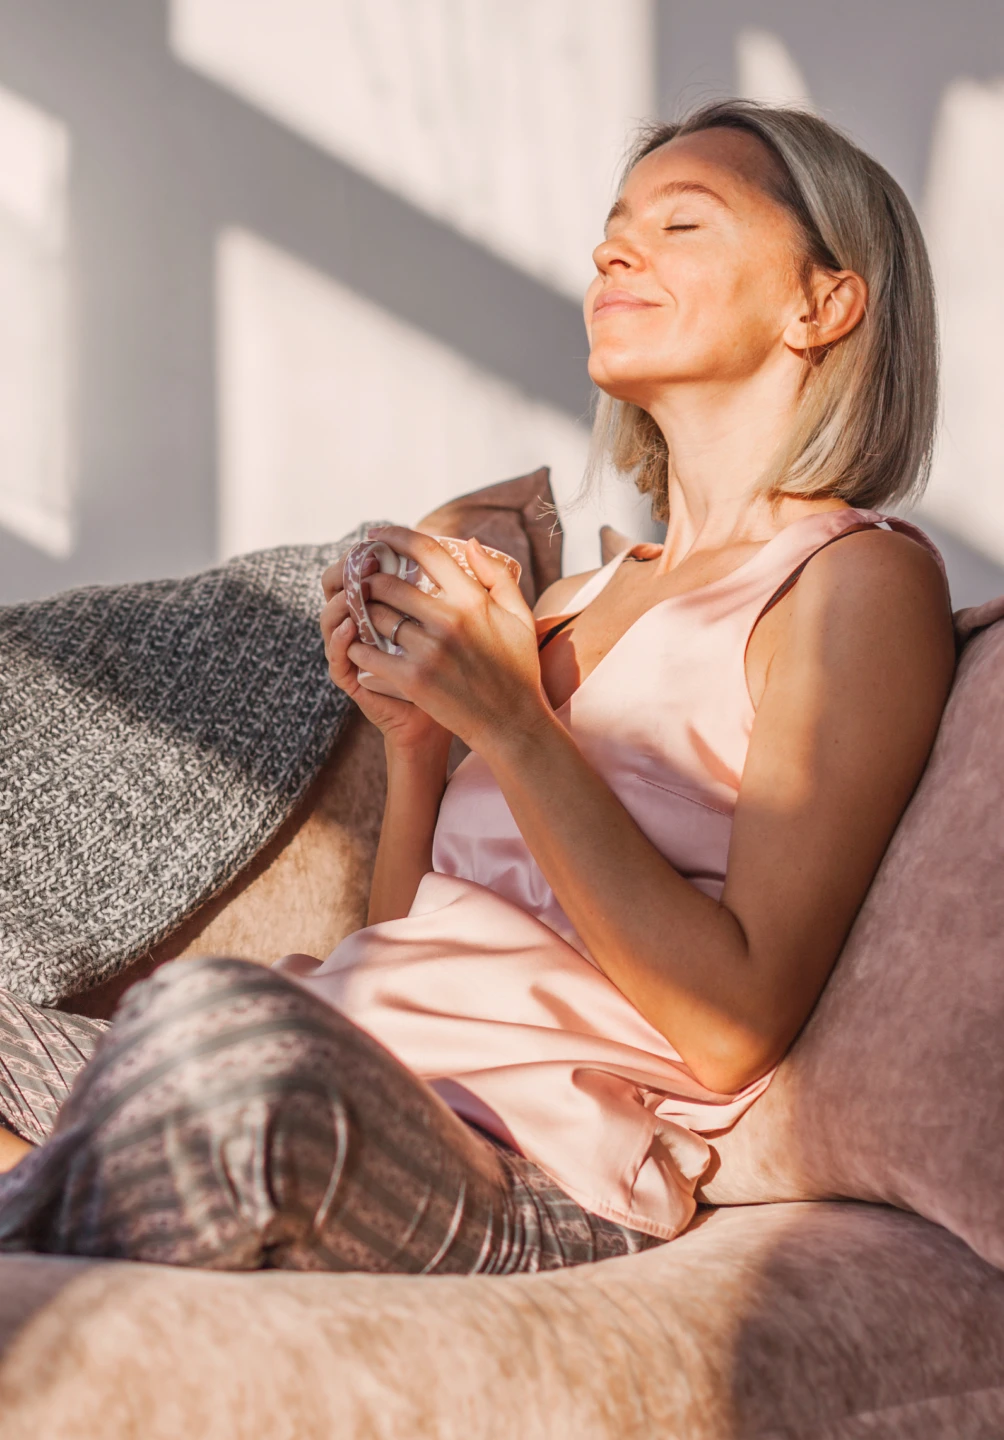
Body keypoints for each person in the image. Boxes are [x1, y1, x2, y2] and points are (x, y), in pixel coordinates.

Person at [0, 100, 954, 1273]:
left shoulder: (850, 580)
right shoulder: (564, 606)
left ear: (822, 303)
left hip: (532, 1164)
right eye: (612, 228)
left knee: (218, 1034)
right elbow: (408, 944)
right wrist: (413, 741)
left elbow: (728, 1028)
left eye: (681, 221)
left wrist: (508, 717)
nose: (612, 250)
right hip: (352, 1061)